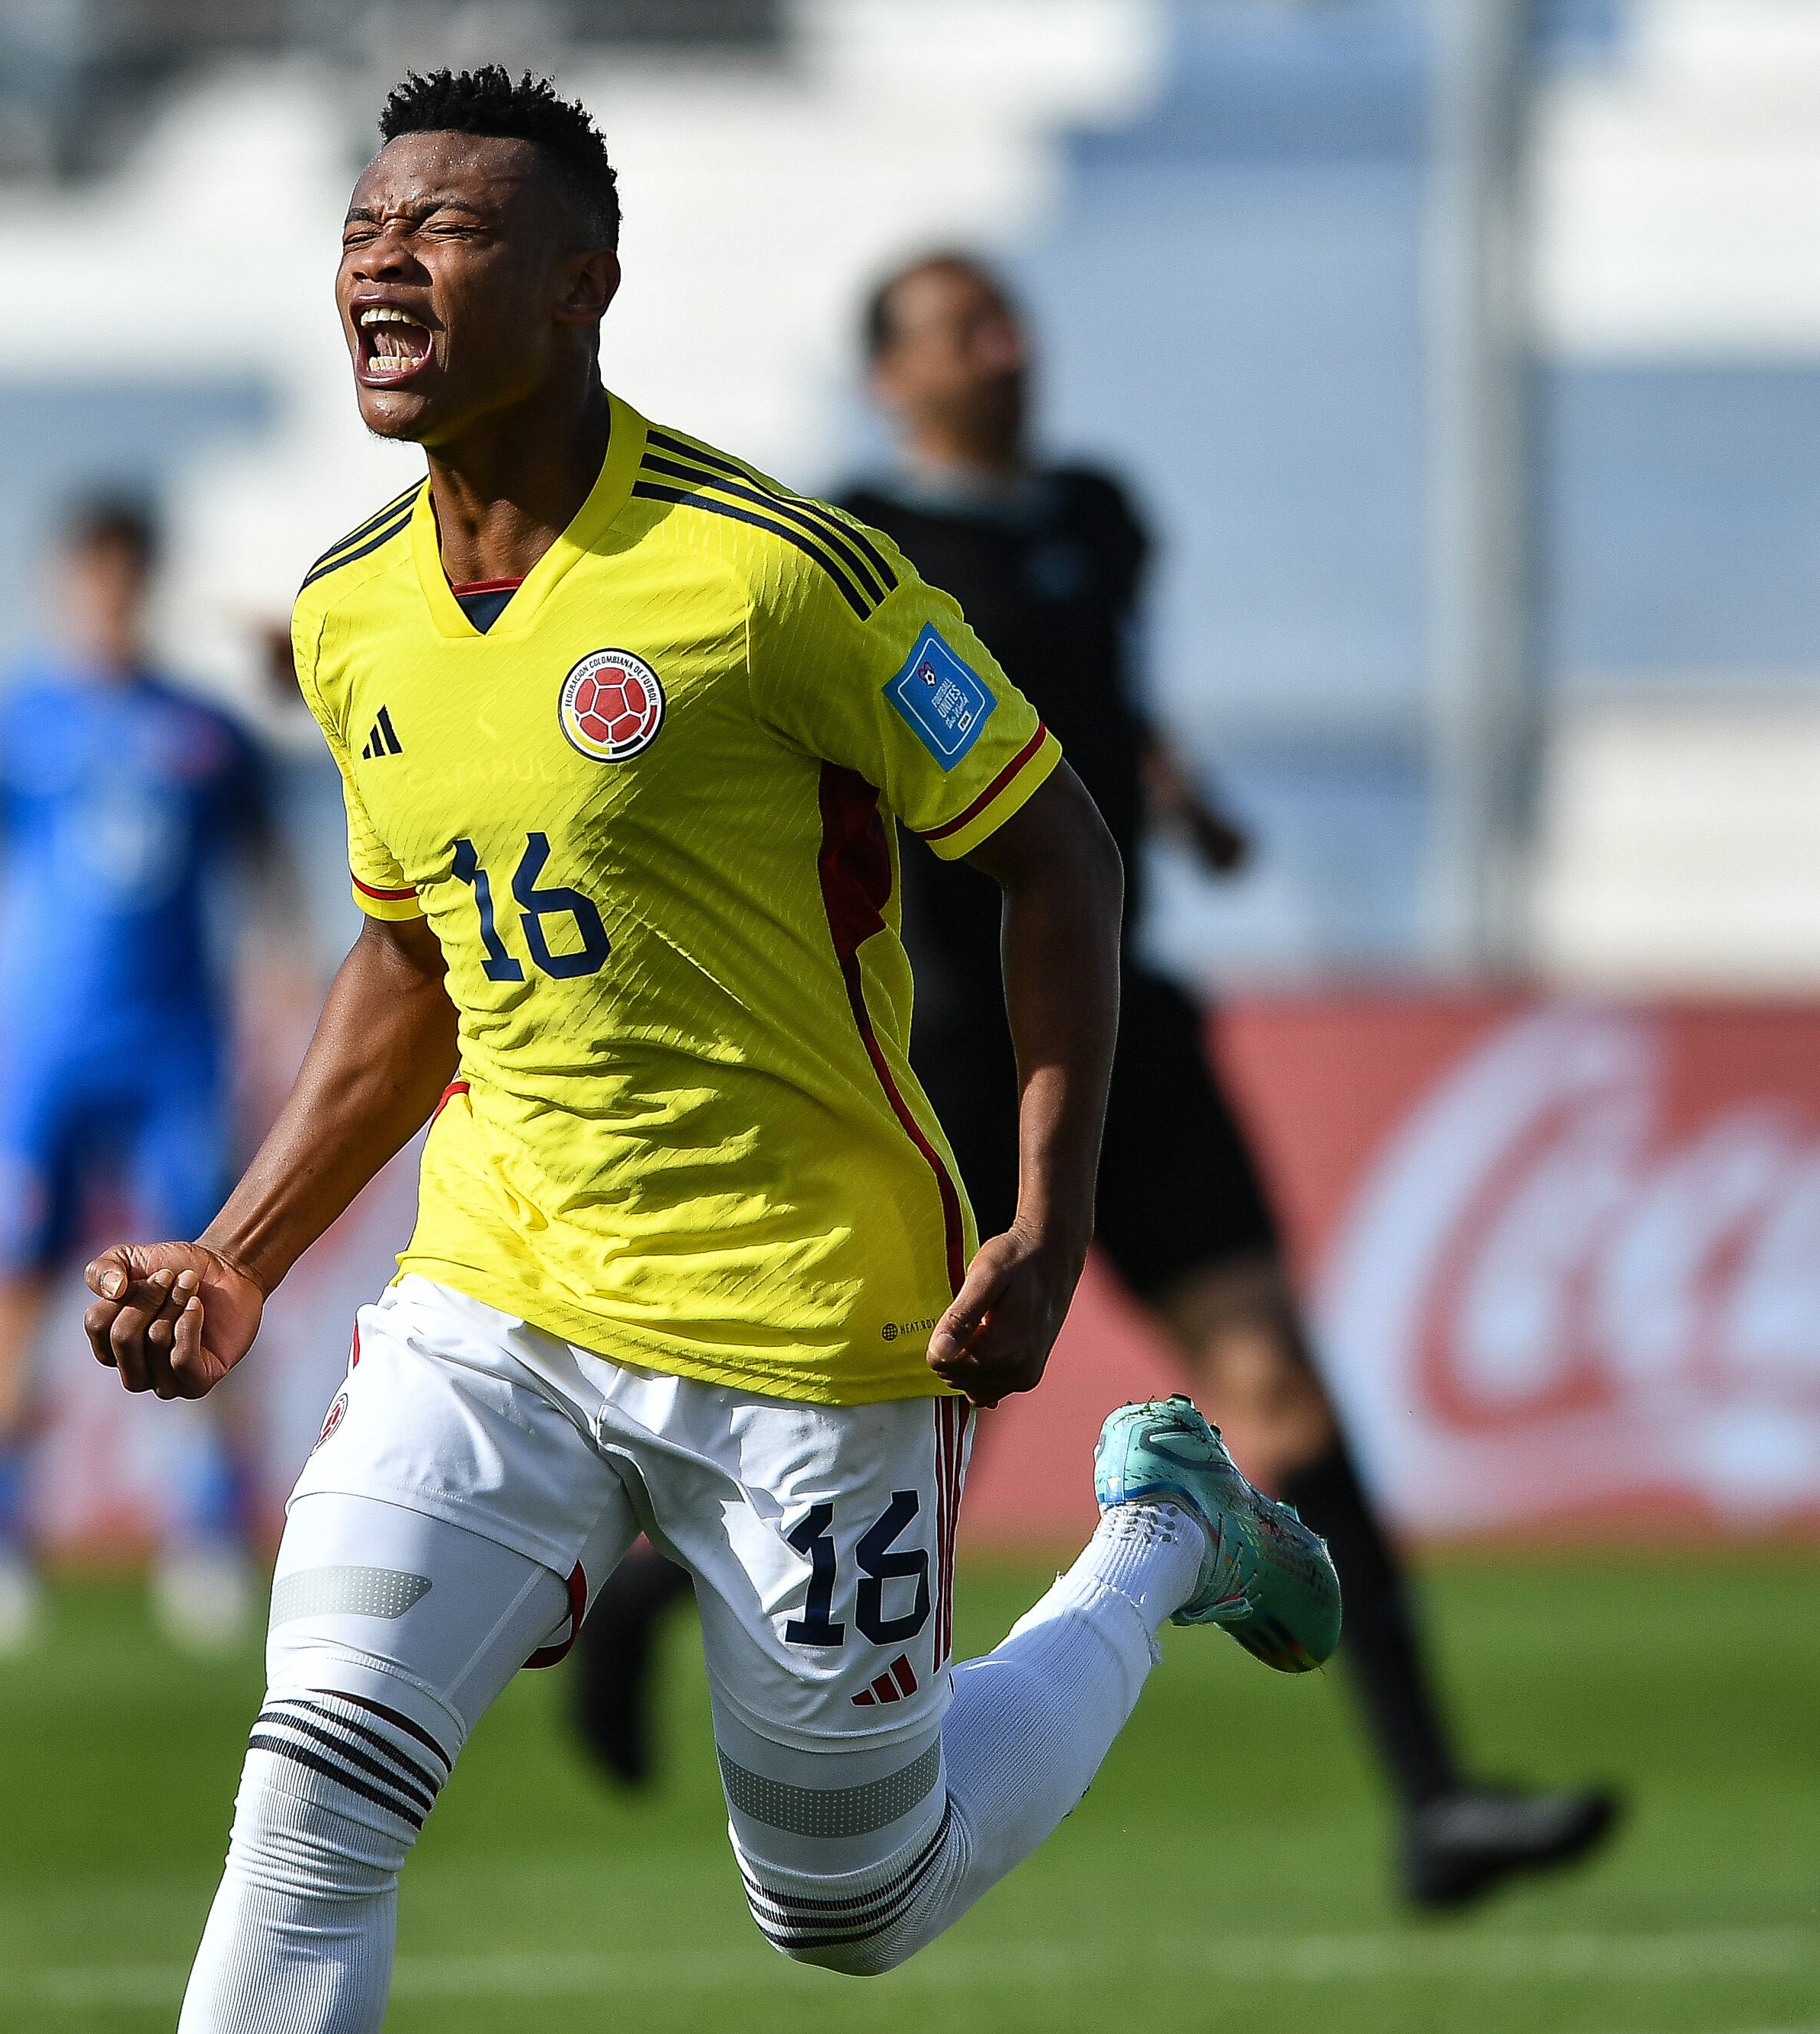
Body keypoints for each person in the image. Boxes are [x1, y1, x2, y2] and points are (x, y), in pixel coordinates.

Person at [79, 70, 1342, 2030]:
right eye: (360, 228)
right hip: (489, 1300)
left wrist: (1047, 1220)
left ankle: (1163, 1537)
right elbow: (410, 960)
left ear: (585, 287)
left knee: (846, 1911)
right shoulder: (349, 614)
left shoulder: (773, 579)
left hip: (801, 1316)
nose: (382, 262)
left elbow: (1060, 854)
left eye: (446, 229)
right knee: (311, 1798)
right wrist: (237, 1251)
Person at [563, 249, 1617, 1913]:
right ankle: (643, 1593)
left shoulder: (1097, 513)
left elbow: (1097, 702)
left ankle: (1433, 1798)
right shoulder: (852, 552)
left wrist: (1175, 796)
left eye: (1010, 314)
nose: (1007, 344)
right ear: (889, 375)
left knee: (1278, 1381)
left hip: (1130, 1013)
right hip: (962, 1037)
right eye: (963, 325)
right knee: (897, 1413)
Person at [0, 494, 309, 1657]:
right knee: (4, 1288)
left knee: (198, 1283)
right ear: (63, 582)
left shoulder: (206, 734)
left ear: (143, 581)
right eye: (90, 574)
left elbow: (269, 882)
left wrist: (287, 1007)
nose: (108, 595)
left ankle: (206, 1532)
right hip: (36, 1053)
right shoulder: (8, 723)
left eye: (124, 573)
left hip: (172, 1051)